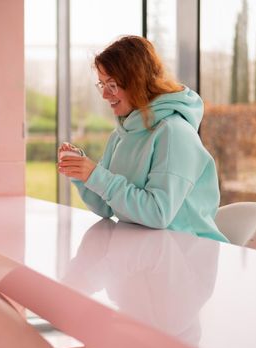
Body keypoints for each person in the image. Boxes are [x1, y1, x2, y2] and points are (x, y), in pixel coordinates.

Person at [57, 35, 228, 242]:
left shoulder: (174, 133)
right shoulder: (121, 135)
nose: (104, 95)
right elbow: (105, 207)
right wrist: (82, 174)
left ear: (136, 81)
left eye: (112, 85)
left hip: (189, 252)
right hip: (147, 250)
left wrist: (97, 176)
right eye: (102, 85)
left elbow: (158, 213)